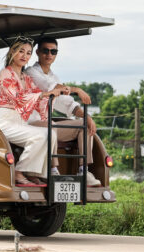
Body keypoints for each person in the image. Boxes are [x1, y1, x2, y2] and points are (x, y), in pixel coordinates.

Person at [0, 37, 69, 187]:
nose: (24, 56)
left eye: (28, 53)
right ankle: (19, 171)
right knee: (39, 136)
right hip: (5, 122)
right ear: (12, 52)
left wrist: (57, 92)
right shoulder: (5, 73)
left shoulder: (26, 78)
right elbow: (17, 97)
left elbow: (39, 97)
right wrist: (43, 94)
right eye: (20, 51)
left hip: (20, 122)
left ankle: (34, 174)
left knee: (50, 134)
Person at [25, 37, 100, 186]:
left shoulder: (53, 76)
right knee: (50, 125)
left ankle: (83, 171)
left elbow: (67, 104)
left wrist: (87, 117)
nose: (49, 54)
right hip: (30, 124)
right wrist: (77, 89)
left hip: (48, 124)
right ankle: (53, 171)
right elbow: (49, 87)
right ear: (38, 52)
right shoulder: (30, 72)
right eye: (45, 50)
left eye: (53, 51)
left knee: (83, 126)